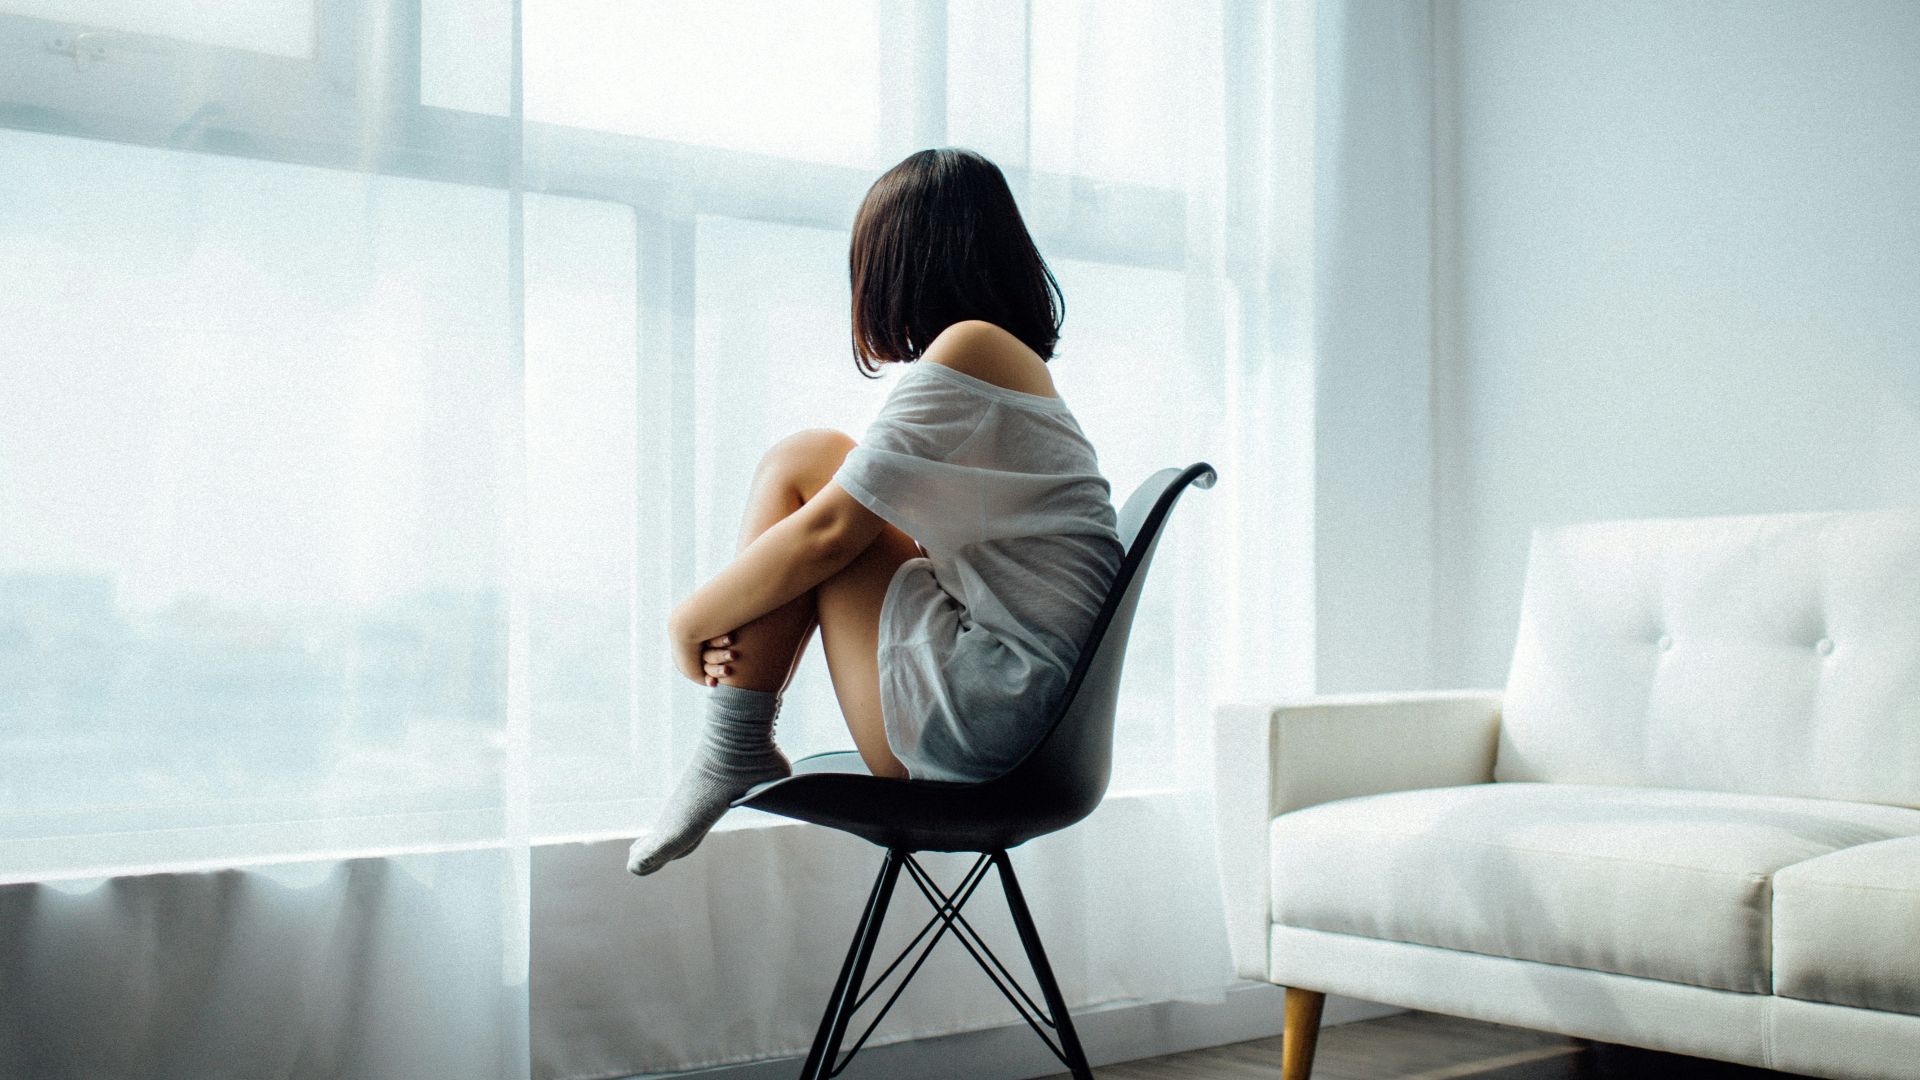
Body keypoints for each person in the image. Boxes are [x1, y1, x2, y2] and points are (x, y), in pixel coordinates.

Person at [628, 147, 1123, 876]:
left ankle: (731, 744)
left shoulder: (972, 349)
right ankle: (733, 744)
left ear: (898, 263)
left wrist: (687, 622)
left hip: (991, 725)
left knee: (806, 464)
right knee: (820, 462)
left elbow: (831, 534)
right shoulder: (1006, 365)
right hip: (1025, 720)